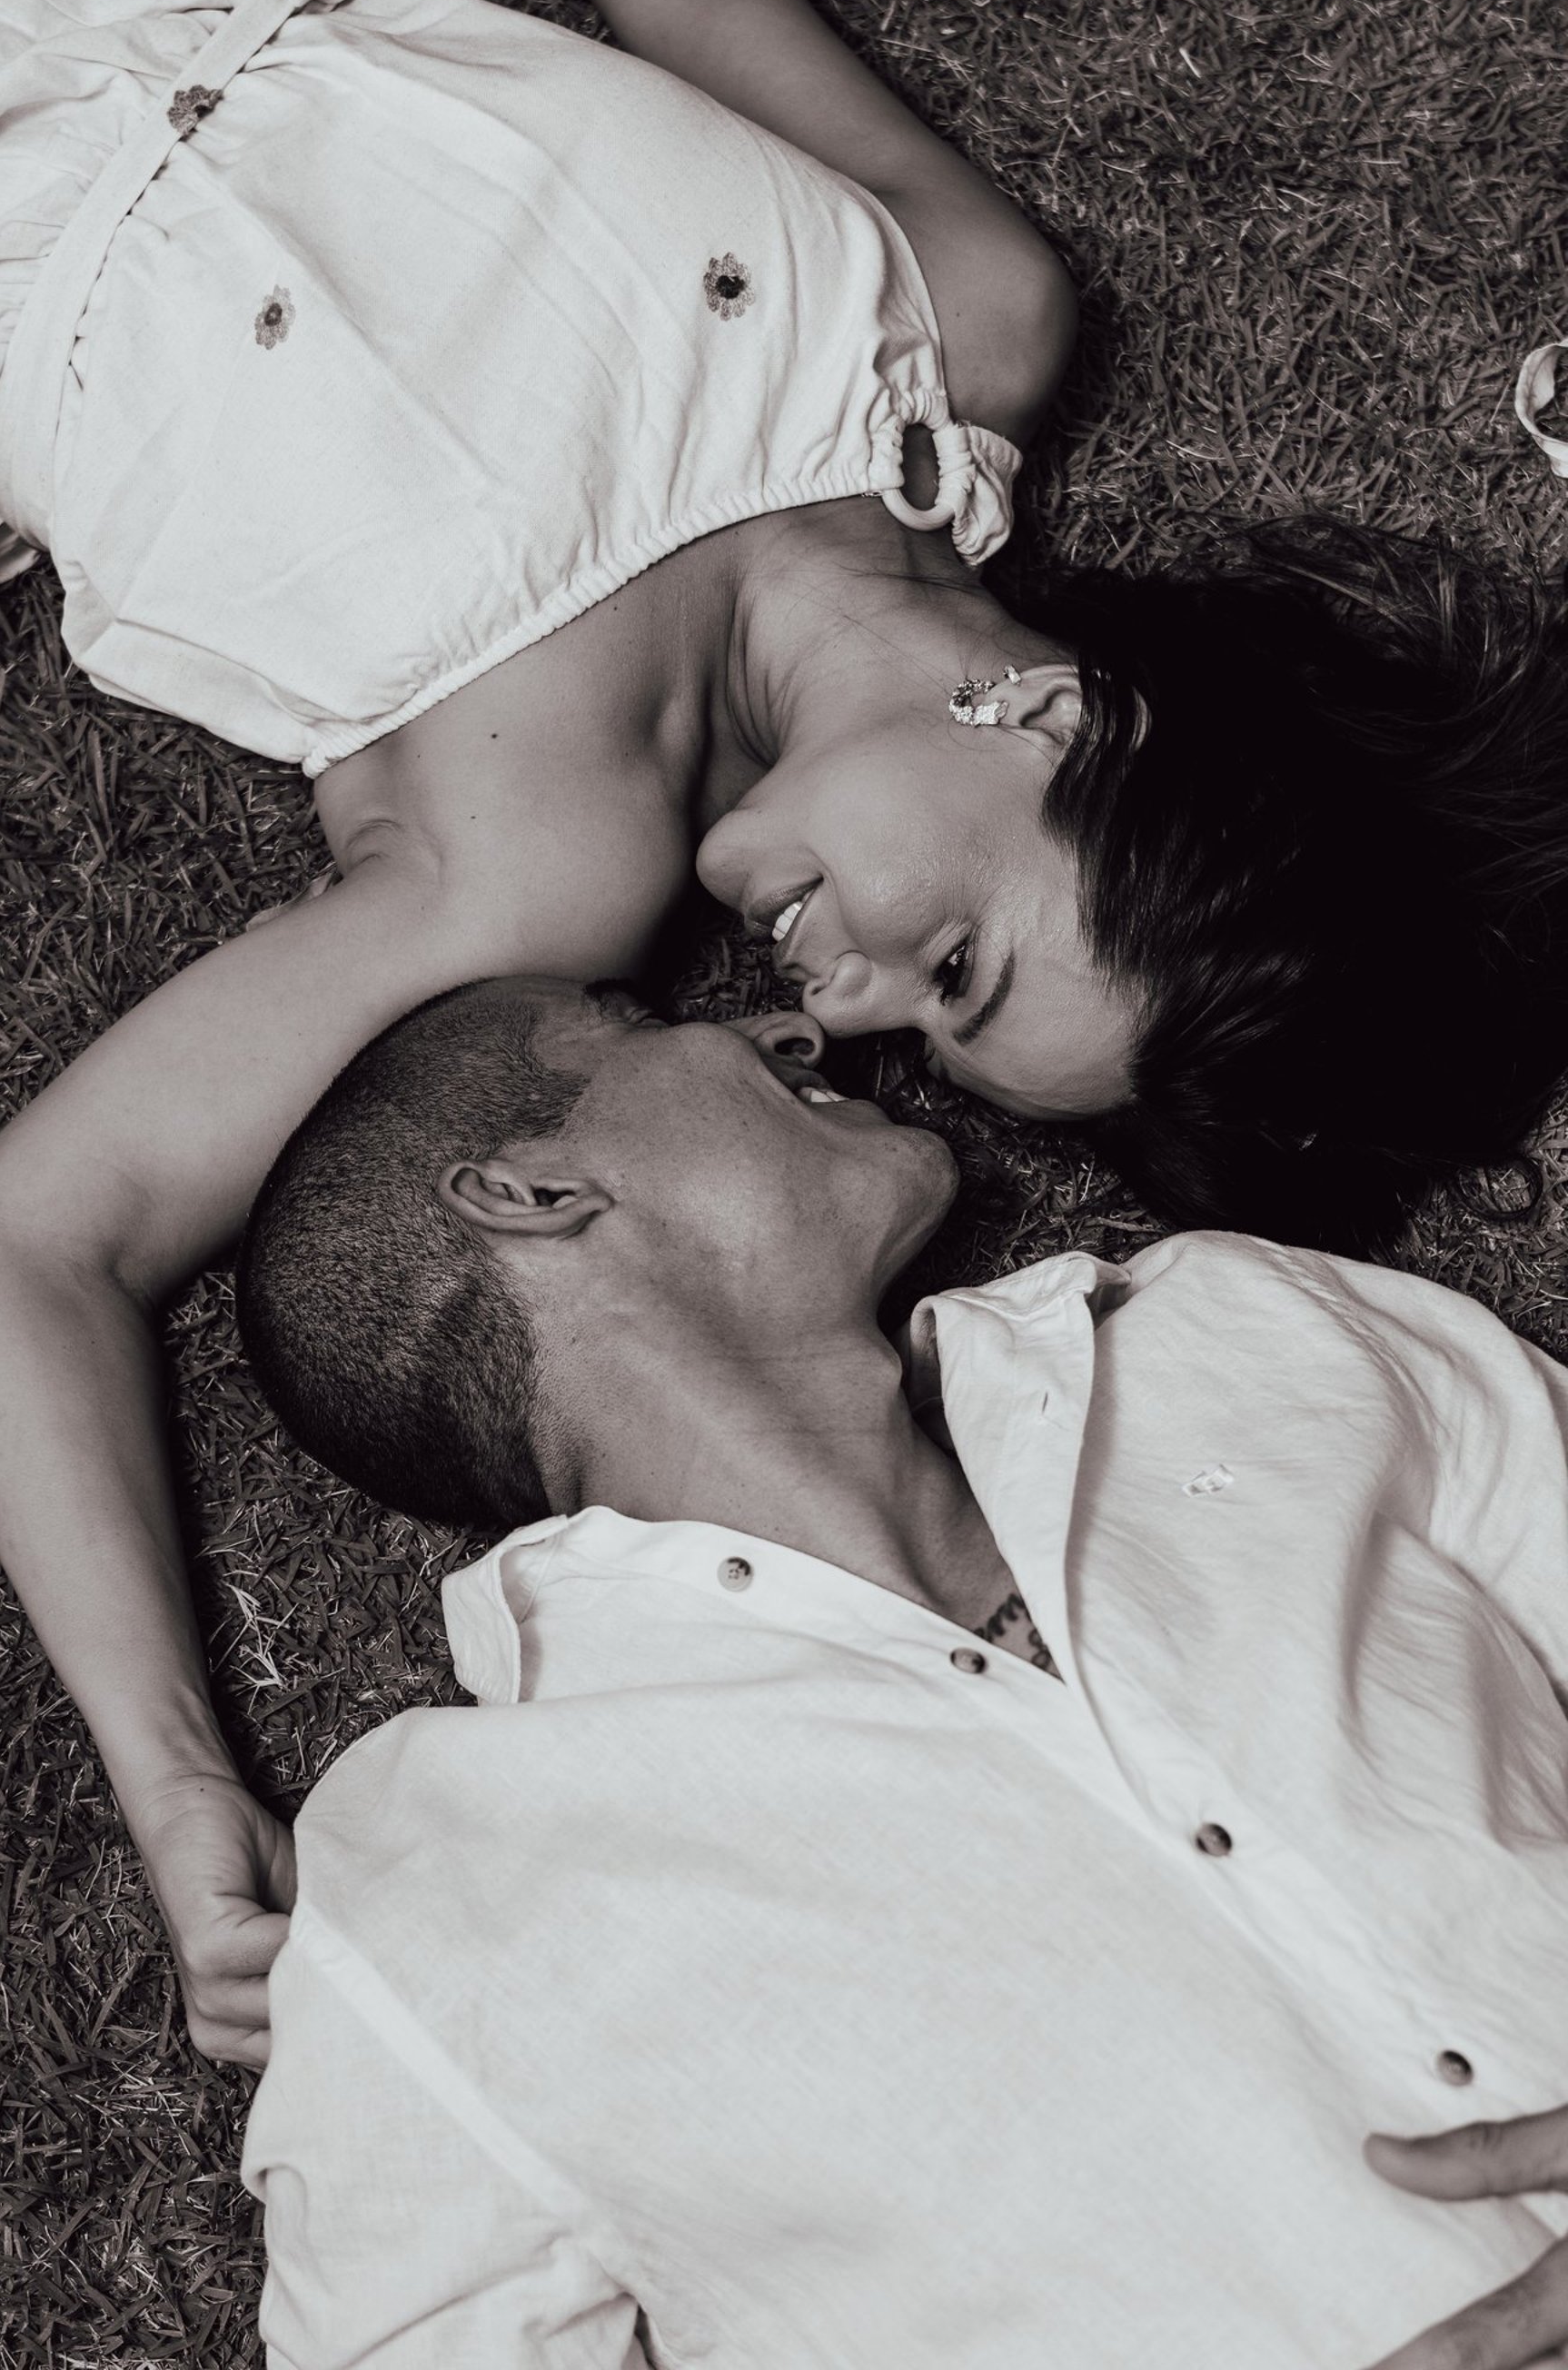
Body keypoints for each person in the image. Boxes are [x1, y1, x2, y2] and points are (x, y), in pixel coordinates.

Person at [0, 0, 1563, 2058]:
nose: (831, 1009)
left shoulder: (534, 853)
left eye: (913, 1042)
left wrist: (174, 1786)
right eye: (953, 972)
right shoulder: (957, 326)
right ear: (1078, 725)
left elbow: (28, 1245)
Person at [235, 974, 1568, 2370]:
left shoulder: (1239, 1338)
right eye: (644, 1029)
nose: (791, 1029)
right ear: (531, 1193)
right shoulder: (443, 1889)